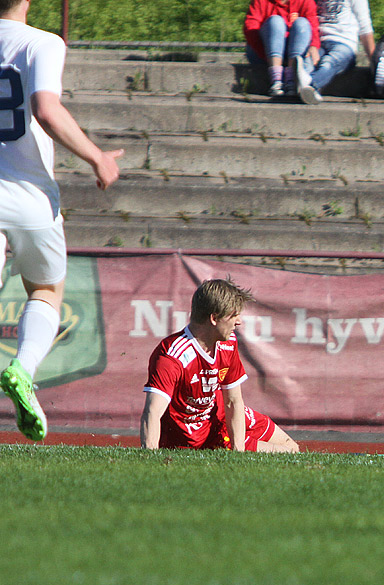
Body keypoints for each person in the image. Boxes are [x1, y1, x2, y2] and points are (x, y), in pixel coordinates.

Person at [0, 0, 123, 441]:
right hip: (31, 195)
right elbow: (46, 108)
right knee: (47, 292)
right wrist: (97, 157)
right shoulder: (42, 42)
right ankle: (22, 369)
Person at [140, 279, 299, 453]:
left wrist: (239, 452)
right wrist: (150, 458)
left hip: (222, 416)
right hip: (201, 437)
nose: (239, 322)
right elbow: (153, 412)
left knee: (292, 447)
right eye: (234, 315)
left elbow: (233, 400)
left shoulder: (228, 343)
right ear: (214, 318)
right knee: (286, 453)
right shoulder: (172, 356)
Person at [244, 0, 321, 102]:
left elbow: (313, 26)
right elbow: (251, 27)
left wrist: (313, 46)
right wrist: (268, 54)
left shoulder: (305, 1)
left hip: (294, 52)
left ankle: (291, 81)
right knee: (276, 21)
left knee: (302, 23)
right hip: (264, 51)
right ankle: (277, 82)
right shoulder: (261, 1)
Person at [304, 0, 376, 100]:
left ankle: (310, 86)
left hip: (344, 43)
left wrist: (374, 61)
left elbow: (365, 27)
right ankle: (301, 87)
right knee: (306, 59)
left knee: (328, 62)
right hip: (318, 42)